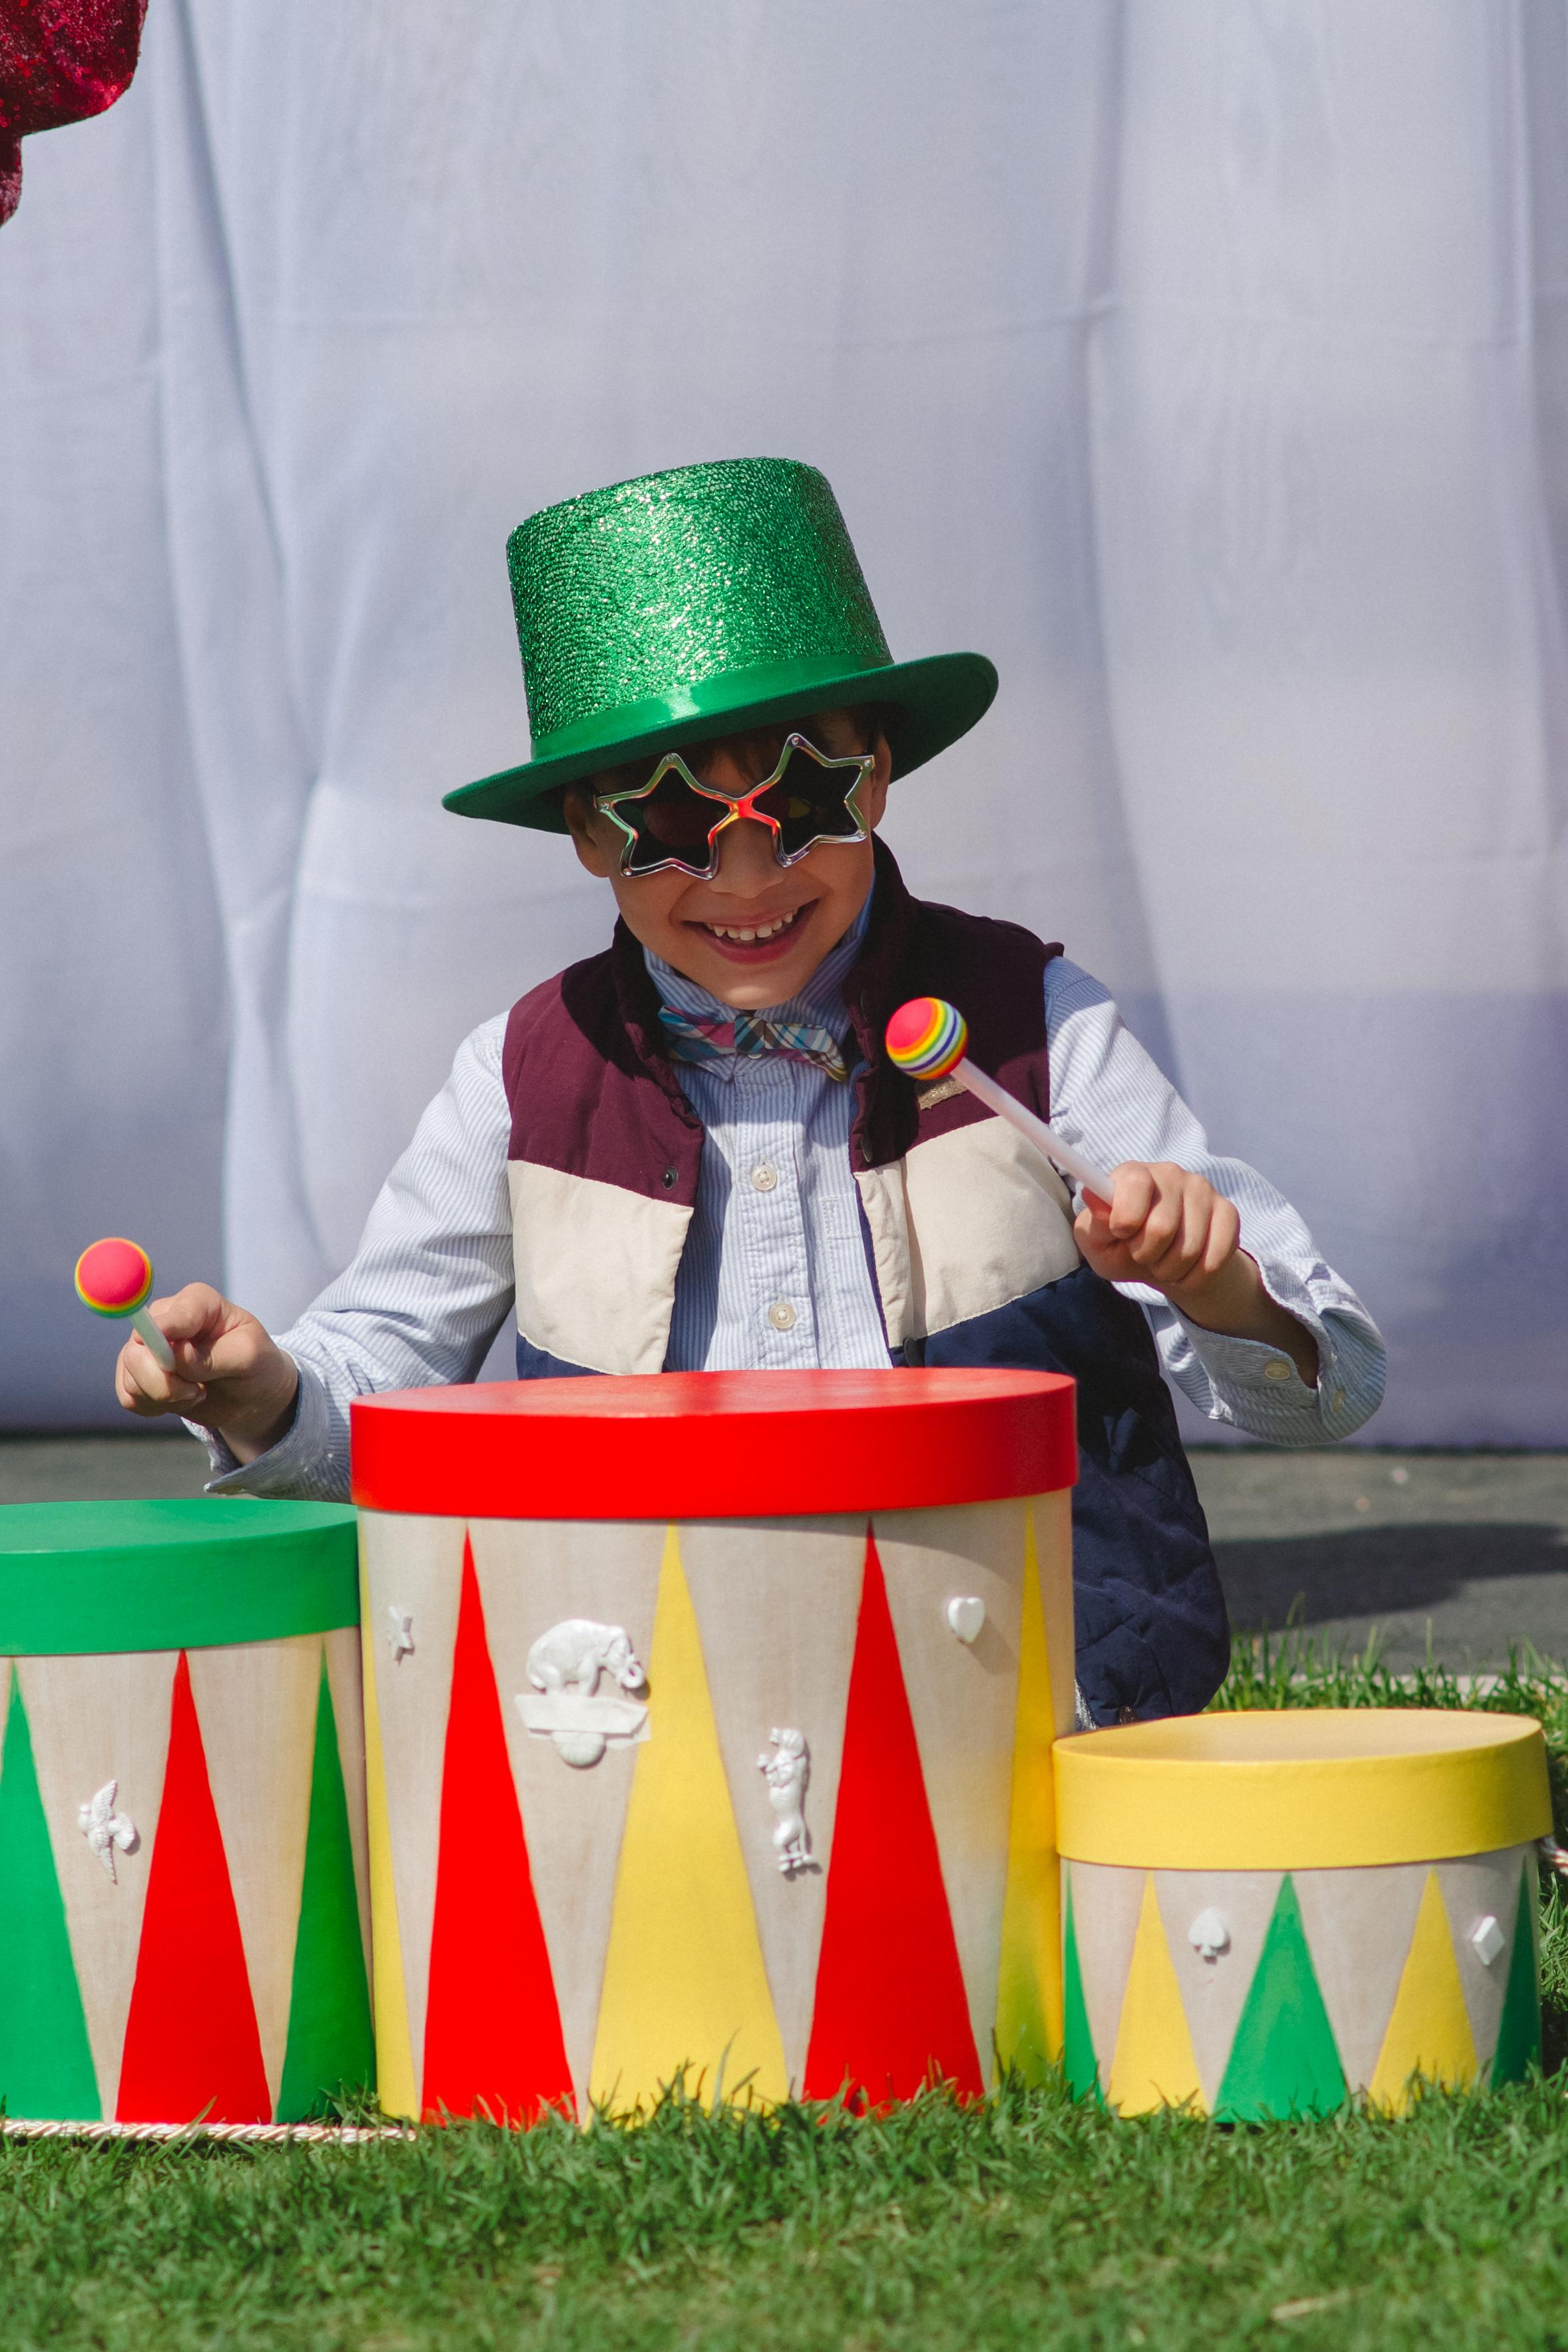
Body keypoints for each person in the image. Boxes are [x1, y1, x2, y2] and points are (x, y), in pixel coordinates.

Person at [114, 457, 1384, 1723]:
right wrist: (263, 1393)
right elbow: (383, 1380)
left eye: (803, 800)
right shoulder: (522, 1076)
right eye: (665, 824)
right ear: (586, 836)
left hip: (1035, 1710)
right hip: (656, 1720)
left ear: (877, 778)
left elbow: (1326, 1389)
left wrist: (1212, 1283)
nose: (743, 872)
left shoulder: (1034, 1024)